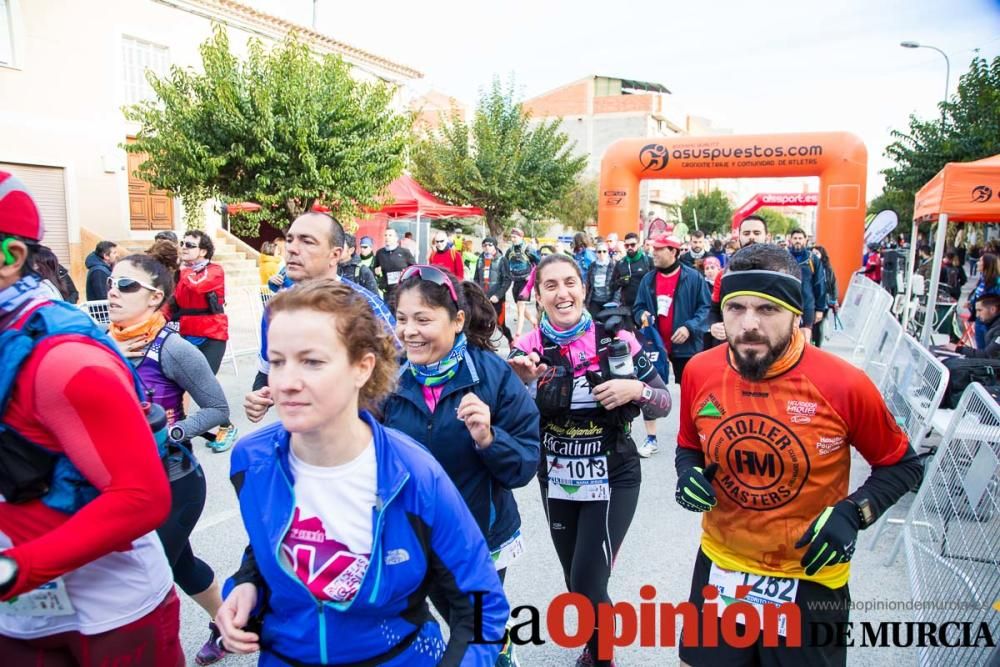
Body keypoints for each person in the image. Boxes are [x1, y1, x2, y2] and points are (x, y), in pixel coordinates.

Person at [216, 281, 509, 665]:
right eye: (277, 361)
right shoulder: (251, 461)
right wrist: (246, 584)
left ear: (362, 367)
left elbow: (481, 606)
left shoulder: (414, 474)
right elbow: (274, 538)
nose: (286, 382)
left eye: (312, 361)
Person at [675, 243, 923, 667]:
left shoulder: (844, 384)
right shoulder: (700, 370)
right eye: (736, 308)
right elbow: (688, 446)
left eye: (767, 310)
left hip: (808, 579)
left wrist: (854, 513)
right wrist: (688, 473)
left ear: (796, 314)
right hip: (722, 566)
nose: (748, 325)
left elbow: (901, 465)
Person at [0, 171, 182, 665]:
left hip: (107, 617)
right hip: (18, 621)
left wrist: (14, 570)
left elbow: (142, 497)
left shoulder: (65, 359)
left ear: (10, 258)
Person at [507, 254, 672, 667]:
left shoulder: (615, 339)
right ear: (538, 294)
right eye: (551, 286)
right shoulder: (526, 349)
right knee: (575, 579)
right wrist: (521, 384)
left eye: (569, 283)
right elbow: (505, 416)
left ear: (583, 286)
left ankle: (601, 658)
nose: (562, 294)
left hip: (614, 475)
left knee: (586, 580)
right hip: (558, 477)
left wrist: (634, 390)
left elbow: (664, 402)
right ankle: (597, 647)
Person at [382, 265, 540, 666]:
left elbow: (523, 465)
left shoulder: (492, 375)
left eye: (423, 319)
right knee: (454, 624)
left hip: (480, 539)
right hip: (415, 538)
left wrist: (490, 439)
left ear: (457, 321)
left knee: (471, 633)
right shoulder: (388, 379)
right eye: (402, 319)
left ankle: (496, 649)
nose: (409, 331)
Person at [107, 253, 232, 665]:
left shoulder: (173, 348)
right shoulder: (102, 343)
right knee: (181, 564)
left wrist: (166, 434)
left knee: (142, 580)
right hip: (122, 485)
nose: (113, 291)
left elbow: (217, 409)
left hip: (174, 483)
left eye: (127, 285)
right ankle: (231, 624)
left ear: (155, 296)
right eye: (111, 282)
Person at [244, 212, 396, 424]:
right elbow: (267, 369)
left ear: (335, 255)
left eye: (307, 241)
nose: (292, 249)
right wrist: (258, 397)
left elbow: (399, 373)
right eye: (290, 239)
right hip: (300, 438)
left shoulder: (367, 306)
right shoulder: (276, 309)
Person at [633, 234, 709, 458]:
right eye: (653, 248)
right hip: (655, 346)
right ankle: (651, 438)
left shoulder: (693, 278)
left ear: (674, 252)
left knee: (692, 392)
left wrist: (689, 327)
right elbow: (637, 308)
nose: (654, 253)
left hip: (686, 346)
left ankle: (695, 436)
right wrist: (641, 315)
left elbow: (705, 309)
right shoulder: (648, 279)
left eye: (660, 249)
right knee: (650, 390)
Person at [164, 229, 238, 453]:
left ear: (203, 251)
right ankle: (181, 428)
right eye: (182, 244)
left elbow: (198, 285)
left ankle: (227, 426)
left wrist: (182, 270)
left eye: (189, 245)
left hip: (212, 336)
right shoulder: (182, 274)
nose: (184, 248)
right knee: (180, 385)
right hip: (187, 336)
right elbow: (172, 304)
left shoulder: (213, 271)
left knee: (203, 386)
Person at [787, 228, 826, 338]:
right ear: (790, 240)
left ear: (805, 240)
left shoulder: (812, 259)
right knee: (788, 337)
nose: (797, 241)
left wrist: (819, 309)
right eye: (795, 238)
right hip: (787, 304)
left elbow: (820, 284)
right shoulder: (783, 258)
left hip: (807, 305)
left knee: (805, 337)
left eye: (800, 238)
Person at [610, 232, 654, 330]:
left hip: (645, 307)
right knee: (630, 337)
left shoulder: (648, 261)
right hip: (627, 308)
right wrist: (620, 282)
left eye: (633, 245)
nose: (630, 247)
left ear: (638, 244)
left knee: (646, 335)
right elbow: (611, 286)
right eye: (627, 245)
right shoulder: (621, 264)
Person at [473, 236, 513, 344]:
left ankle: (511, 342)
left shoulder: (502, 259)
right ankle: (484, 345)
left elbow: (507, 280)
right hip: (483, 298)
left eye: (490, 245)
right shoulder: (480, 260)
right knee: (483, 322)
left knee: (500, 325)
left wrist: (498, 295)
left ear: (495, 246)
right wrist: (476, 293)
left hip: (497, 299)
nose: (487, 247)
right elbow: (476, 279)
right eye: (484, 245)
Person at [943, 295, 1000, 360]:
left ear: (993, 309)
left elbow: (987, 355)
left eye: (980, 310)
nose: (977, 315)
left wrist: (958, 349)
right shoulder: (993, 325)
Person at [506, 227, 540, 337]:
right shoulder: (510, 250)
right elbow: (505, 262)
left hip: (526, 282)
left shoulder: (527, 248)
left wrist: (531, 276)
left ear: (521, 237)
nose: (513, 239)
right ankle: (534, 320)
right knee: (520, 306)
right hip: (516, 281)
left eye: (515, 237)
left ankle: (518, 333)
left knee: (520, 306)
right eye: (511, 237)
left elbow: (538, 262)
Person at [374, 228, 415, 304]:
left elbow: (414, 269)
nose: (387, 237)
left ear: (396, 238)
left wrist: (407, 274)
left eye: (390, 235)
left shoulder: (404, 252)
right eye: (385, 235)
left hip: (403, 290)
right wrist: (377, 274)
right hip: (387, 291)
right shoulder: (380, 253)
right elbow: (374, 270)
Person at [968, 252, 1000, 349]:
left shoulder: (996, 282)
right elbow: (979, 296)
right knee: (980, 347)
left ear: (987, 264)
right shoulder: (982, 279)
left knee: (988, 351)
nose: (977, 263)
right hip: (979, 320)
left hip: (991, 322)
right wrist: (971, 302)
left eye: (981, 261)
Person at [812, 245, 838, 348]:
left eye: (816, 253)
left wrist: (834, 299)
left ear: (822, 255)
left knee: (819, 325)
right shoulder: (808, 266)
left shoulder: (827, 269)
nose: (814, 255)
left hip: (824, 300)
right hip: (811, 300)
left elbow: (833, 284)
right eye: (812, 253)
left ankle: (817, 346)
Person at [585, 240, 616, 317]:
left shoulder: (613, 265)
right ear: (596, 253)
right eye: (599, 252)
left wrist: (615, 301)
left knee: (607, 324)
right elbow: (588, 283)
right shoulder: (592, 266)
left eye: (604, 251)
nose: (602, 254)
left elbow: (618, 285)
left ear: (608, 252)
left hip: (608, 300)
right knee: (593, 322)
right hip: (594, 300)